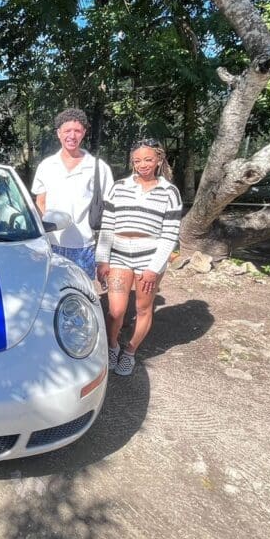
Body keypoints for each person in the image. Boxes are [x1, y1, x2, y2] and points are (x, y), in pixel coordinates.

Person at [96, 138, 182, 377]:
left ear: (158, 160)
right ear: (132, 162)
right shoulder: (119, 186)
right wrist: (102, 259)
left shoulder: (169, 192)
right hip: (119, 255)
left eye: (148, 159)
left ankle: (130, 351)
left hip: (150, 257)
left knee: (143, 308)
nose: (142, 164)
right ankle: (113, 346)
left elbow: (170, 234)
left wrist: (154, 267)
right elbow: (107, 226)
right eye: (137, 160)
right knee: (116, 310)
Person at [31, 108, 113, 280]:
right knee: (50, 295)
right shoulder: (46, 166)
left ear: (84, 133)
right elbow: (40, 205)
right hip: (51, 245)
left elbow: (109, 211)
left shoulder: (98, 167)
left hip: (84, 246)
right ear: (58, 133)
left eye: (77, 131)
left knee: (81, 295)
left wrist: (104, 255)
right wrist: (38, 242)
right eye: (67, 130)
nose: (72, 136)